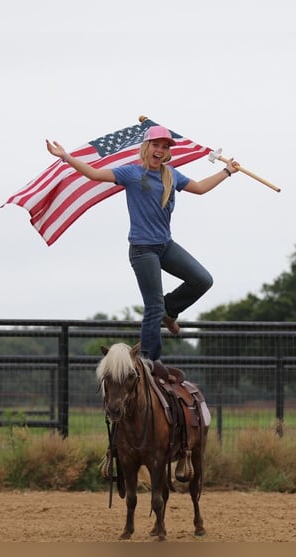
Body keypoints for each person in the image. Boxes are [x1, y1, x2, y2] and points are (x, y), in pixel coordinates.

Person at [46, 125, 239, 379]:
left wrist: (227, 171)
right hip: (142, 249)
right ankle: (150, 359)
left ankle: (170, 310)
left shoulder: (171, 174)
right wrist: (66, 156)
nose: (160, 150)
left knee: (202, 279)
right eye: (156, 145)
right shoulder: (132, 173)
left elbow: (200, 188)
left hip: (165, 245)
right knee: (152, 305)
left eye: (165, 147)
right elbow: (93, 174)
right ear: (146, 147)